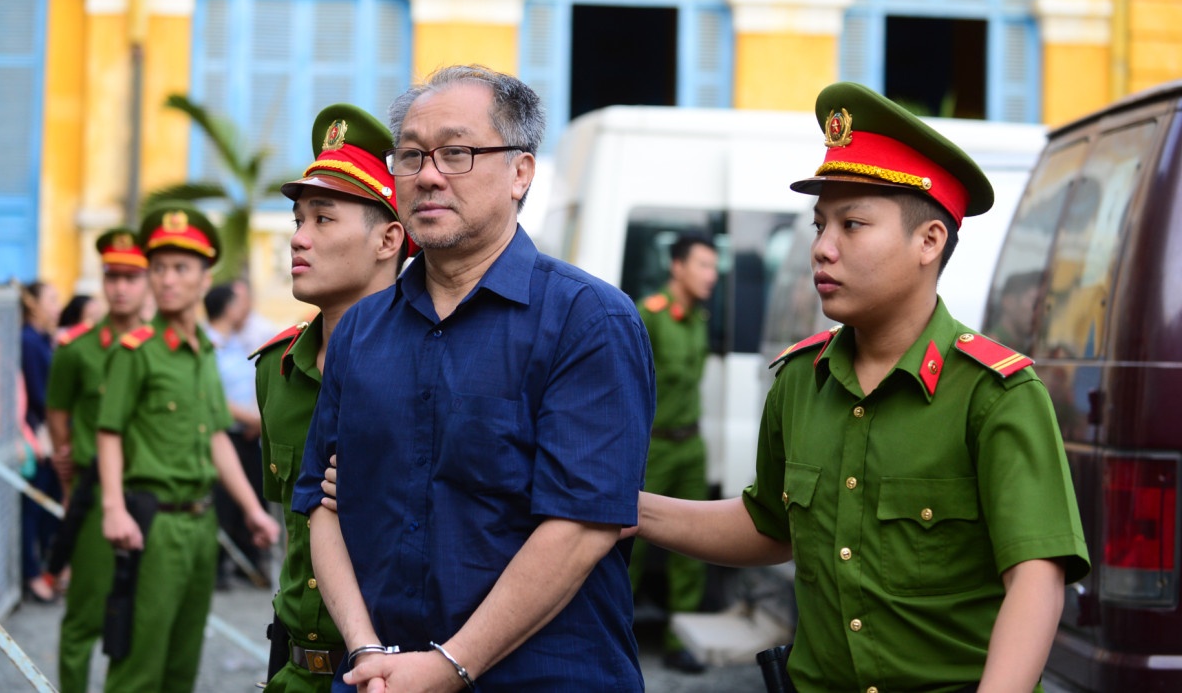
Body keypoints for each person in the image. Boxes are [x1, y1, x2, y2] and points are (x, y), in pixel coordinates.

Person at [633, 82, 1090, 692]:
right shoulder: (801, 381)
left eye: (852, 224)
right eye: (820, 225)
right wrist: (626, 508)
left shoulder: (995, 395)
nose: (822, 249)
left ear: (929, 241)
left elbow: (1036, 579)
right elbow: (769, 526)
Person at [291, 65, 656, 692]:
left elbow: (581, 526)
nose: (429, 175)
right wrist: (366, 648)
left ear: (521, 173)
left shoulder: (587, 320)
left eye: (456, 153)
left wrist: (448, 666)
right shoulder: (361, 330)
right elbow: (320, 506)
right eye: (411, 156)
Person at [250, 102, 409, 691]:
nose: (298, 239)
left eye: (323, 219)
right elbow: (293, 530)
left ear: (388, 238)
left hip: (387, 674)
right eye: (298, 220)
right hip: (293, 669)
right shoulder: (278, 369)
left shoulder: (428, 371)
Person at [96, 203, 280, 692]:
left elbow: (217, 435)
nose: (167, 280)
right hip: (154, 525)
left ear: (204, 279)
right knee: (139, 666)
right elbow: (109, 431)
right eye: (158, 268)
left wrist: (252, 510)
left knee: (182, 664)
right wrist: (113, 508)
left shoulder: (202, 349)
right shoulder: (136, 351)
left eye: (181, 268)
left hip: (202, 524)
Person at [45, 228, 149, 693]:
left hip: (152, 495)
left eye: (131, 277)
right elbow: (58, 411)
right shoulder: (77, 349)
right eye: (112, 277)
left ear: (146, 281)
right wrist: (65, 457)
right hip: (95, 498)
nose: (120, 287)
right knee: (86, 613)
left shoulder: (160, 346)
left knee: (142, 617)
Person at [630, 231, 718, 674]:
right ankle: (615, 638)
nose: (712, 275)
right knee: (629, 546)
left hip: (691, 446)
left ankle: (678, 640)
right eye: (703, 265)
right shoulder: (650, 315)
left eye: (714, 267)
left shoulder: (698, 319)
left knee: (693, 546)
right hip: (655, 446)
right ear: (677, 267)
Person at [204, 280, 268, 589]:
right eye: (239, 302)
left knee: (253, 495)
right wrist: (253, 418)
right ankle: (218, 568)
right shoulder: (209, 344)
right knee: (224, 504)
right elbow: (213, 397)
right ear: (228, 308)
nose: (245, 307)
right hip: (225, 434)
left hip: (248, 436)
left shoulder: (235, 342)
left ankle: (249, 561)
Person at [19, 279, 63, 604]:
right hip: (37, 437)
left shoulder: (45, 339)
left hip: (47, 435)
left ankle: (47, 569)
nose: (57, 306)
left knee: (47, 508)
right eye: (51, 299)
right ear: (33, 304)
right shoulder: (29, 340)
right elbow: (39, 394)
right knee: (32, 510)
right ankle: (32, 574)